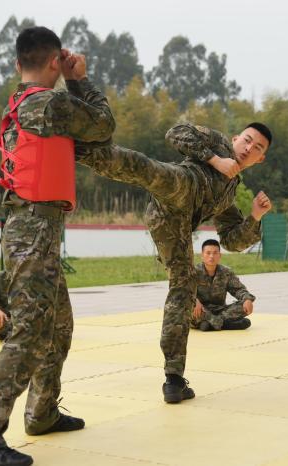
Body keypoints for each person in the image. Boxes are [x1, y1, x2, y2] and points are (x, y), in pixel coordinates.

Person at [0, 26, 115, 466]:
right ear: (55, 62)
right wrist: (80, 78)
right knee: (27, 336)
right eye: (61, 65)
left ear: (17, 64)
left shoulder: (19, 102)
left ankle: (42, 411)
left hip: (34, 228)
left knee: (59, 326)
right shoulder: (49, 103)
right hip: (33, 229)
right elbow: (103, 125)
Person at [77, 121, 273, 404]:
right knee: (146, 168)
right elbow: (175, 132)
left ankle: (174, 379)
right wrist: (216, 160)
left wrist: (255, 216)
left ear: (260, 159)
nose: (248, 149)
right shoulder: (217, 142)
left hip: (175, 226)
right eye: (247, 140)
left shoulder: (230, 194)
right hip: (179, 184)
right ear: (235, 138)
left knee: (182, 290)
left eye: (257, 148)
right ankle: (78, 148)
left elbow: (232, 241)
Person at [191, 239, 255, 331]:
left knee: (243, 306)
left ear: (219, 255)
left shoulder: (226, 272)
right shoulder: (193, 272)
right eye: (208, 253)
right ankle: (226, 324)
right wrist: (194, 300)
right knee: (188, 307)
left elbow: (238, 289)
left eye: (215, 253)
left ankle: (209, 324)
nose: (211, 256)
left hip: (220, 310)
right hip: (201, 310)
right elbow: (184, 291)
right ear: (202, 255)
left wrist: (247, 299)